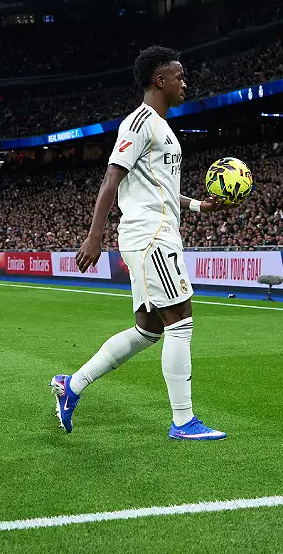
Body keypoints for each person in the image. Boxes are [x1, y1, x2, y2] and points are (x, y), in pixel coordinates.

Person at [52, 46, 234, 441]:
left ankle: (73, 386)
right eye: (179, 76)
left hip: (157, 233)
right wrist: (94, 236)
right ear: (159, 80)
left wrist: (200, 205)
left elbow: (162, 189)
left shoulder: (163, 128)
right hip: (150, 236)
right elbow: (111, 181)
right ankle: (183, 421)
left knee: (148, 330)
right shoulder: (139, 124)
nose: (185, 82)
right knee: (181, 322)